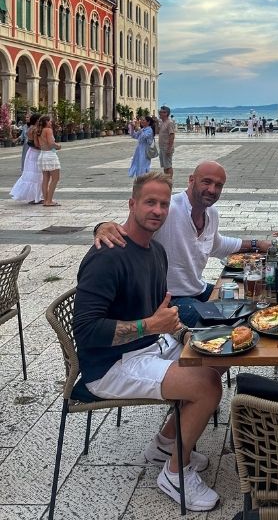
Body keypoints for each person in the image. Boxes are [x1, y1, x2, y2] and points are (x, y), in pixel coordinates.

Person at [74, 172, 222, 511]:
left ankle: (164, 444)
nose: (157, 210)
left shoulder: (155, 251)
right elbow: (86, 330)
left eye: (163, 204)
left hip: (147, 348)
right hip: (110, 365)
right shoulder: (107, 256)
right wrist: (148, 326)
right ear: (132, 204)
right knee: (206, 385)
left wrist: (189, 337)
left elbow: (161, 315)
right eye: (149, 202)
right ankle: (174, 474)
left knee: (216, 357)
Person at [93, 160, 270, 327]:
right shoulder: (169, 209)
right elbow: (131, 231)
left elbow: (217, 244)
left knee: (249, 307)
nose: (212, 189)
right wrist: (102, 227)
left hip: (197, 289)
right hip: (170, 299)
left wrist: (256, 244)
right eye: (206, 182)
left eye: (218, 185)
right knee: (226, 324)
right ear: (191, 180)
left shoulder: (211, 213)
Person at [10, 113, 43, 204]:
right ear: (37, 120)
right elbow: (36, 144)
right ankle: (35, 197)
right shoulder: (35, 129)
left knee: (31, 173)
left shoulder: (29, 128)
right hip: (36, 152)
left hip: (30, 152)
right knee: (37, 174)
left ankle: (33, 196)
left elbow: (29, 141)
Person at [36, 114, 61, 207]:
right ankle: (49, 200)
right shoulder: (48, 130)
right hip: (50, 156)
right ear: (46, 122)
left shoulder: (39, 131)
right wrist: (58, 146)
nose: (51, 123)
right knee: (55, 178)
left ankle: (46, 199)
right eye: (50, 121)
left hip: (42, 154)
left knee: (45, 179)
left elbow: (37, 144)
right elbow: (51, 144)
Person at [158, 106, 176, 178]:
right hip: (162, 147)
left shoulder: (169, 123)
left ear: (166, 113)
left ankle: (169, 180)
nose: (159, 113)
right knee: (165, 166)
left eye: (161, 112)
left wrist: (169, 148)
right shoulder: (162, 123)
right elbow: (157, 132)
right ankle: (166, 179)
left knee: (168, 166)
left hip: (167, 147)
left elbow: (172, 135)